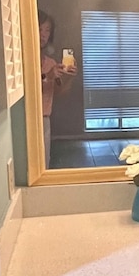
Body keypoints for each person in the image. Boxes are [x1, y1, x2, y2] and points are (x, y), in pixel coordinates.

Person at [39, 10, 77, 168]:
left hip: (45, 120)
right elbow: (28, 90)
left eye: (47, 30)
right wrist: (46, 76)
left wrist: (69, 77)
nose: (43, 34)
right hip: (26, 121)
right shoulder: (23, 61)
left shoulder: (50, 63)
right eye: (40, 28)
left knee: (44, 164)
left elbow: (60, 93)